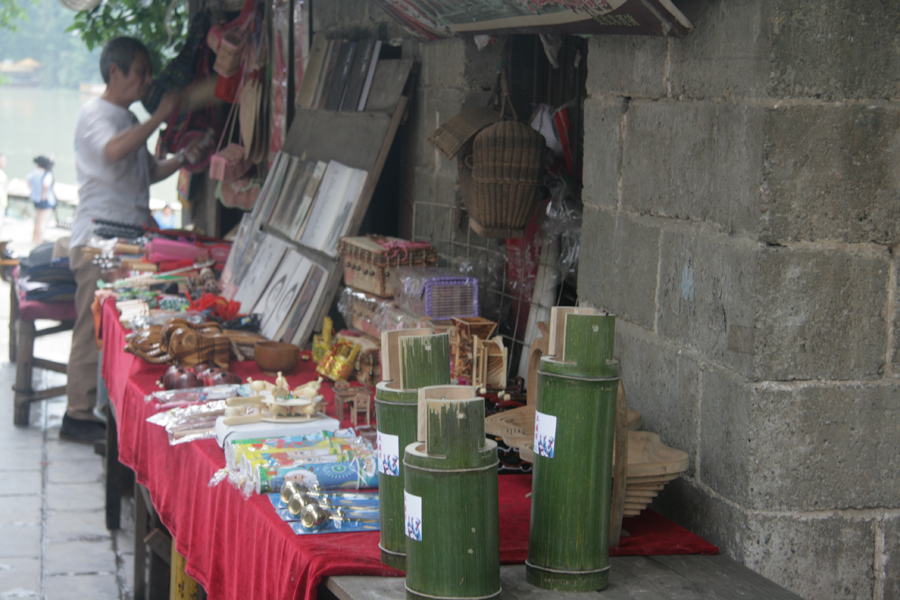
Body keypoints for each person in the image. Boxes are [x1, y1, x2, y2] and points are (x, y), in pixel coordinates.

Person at [62, 37, 209, 444]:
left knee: (118, 326)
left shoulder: (126, 120)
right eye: (141, 72)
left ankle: (108, 409)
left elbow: (147, 170)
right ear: (116, 72)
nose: (147, 81)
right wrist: (160, 115)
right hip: (99, 239)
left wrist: (184, 157)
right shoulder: (97, 113)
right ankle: (77, 412)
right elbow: (112, 153)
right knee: (91, 325)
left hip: (128, 238)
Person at [27, 155, 56, 245]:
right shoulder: (47, 173)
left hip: (36, 198)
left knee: (38, 220)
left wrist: (32, 189)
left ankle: (35, 239)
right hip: (45, 199)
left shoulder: (34, 172)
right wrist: (43, 193)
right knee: (42, 222)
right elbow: (46, 184)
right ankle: (39, 242)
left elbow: (27, 180)